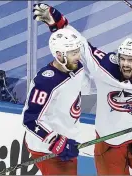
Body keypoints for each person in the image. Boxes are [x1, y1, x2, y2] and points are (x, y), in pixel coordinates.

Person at [33, 3, 132, 175]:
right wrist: (58, 24)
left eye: (131, 60)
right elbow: (82, 46)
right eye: (123, 59)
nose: (125, 64)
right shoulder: (105, 67)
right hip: (108, 145)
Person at [22, 27, 93, 175]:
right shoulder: (45, 82)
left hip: (67, 141)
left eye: (78, 51)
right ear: (59, 55)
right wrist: (56, 142)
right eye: (73, 53)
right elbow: (30, 119)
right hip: (46, 147)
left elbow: (87, 88)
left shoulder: (76, 68)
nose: (78, 56)